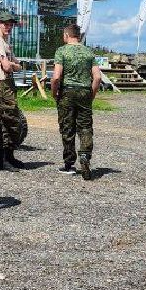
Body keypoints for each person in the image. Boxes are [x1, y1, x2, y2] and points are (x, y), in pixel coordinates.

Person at [50, 22, 102, 179]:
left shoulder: (62, 51)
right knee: (85, 127)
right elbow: (98, 77)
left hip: (67, 92)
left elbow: (56, 77)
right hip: (85, 92)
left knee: (67, 128)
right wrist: (91, 94)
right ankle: (85, 155)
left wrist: (54, 92)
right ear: (78, 36)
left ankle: (68, 164)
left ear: (66, 35)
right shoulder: (88, 52)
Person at [0, 11, 27, 169]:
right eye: (5, 24)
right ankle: (3, 159)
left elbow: (16, 64)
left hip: (8, 83)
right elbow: (7, 66)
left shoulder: (6, 43)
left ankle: (9, 156)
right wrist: (14, 66)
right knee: (9, 119)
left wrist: (14, 65)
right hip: (2, 83)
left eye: (10, 24)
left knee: (11, 120)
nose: (8, 27)